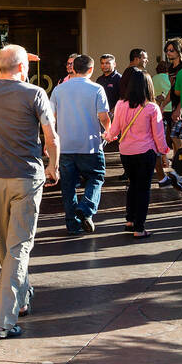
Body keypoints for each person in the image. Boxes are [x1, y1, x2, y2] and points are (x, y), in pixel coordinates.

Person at [0, 45, 60, 340]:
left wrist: (11, 63)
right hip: (26, 177)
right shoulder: (35, 93)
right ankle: (1, 319)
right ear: (23, 67)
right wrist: (54, 167)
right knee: (19, 247)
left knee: (5, 245)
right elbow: (51, 136)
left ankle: (20, 300)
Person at [50, 54, 110, 234]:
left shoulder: (58, 90)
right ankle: (86, 208)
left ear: (73, 68)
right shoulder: (97, 89)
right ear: (91, 70)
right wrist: (109, 131)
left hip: (65, 145)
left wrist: (49, 143)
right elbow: (103, 117)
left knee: (68, 187)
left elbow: (50, 118)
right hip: (90, 144)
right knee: (96, 177)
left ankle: (72, 224)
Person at [106, 68, 168, 237]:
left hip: (126, 152)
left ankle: (130, 220)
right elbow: (158, 134)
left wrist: (107, 135)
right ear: (148, 86)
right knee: (144, 189)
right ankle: (139, 228)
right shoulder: (152, 108)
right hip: (146, 152)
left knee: (132, 186)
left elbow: (115, 130)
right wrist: (163, 152)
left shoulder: (120, 104)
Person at [160, 37, 182, 191]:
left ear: (179, 50)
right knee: (175, 138)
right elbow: (172, 90)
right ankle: (181, 165)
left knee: (177, 137)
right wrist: (163, 105)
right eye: (167, 50)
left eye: (171, 50)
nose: (168, 53)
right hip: (175, 107)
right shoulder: (170, 68)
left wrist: (179, 108)